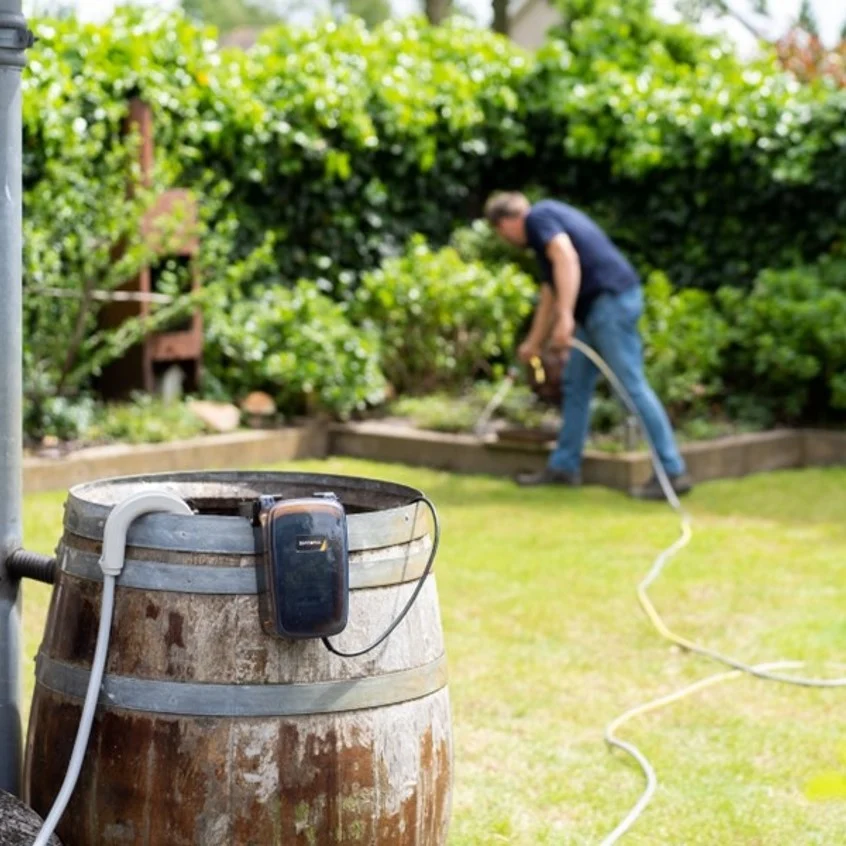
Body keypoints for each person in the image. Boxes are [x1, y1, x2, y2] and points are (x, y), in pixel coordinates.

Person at [484, 191, 692, 499]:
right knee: (575, 383)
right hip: (598, 309)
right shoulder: (543, 232)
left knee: (631, 387)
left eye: (501, 233)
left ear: (506, 223)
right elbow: (549, 294)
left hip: (609, 304)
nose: (506, 239)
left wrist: (566, 317)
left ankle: (672, 471)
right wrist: (534, 343)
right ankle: (565, 467)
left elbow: (567, 257)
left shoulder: (539, 218)